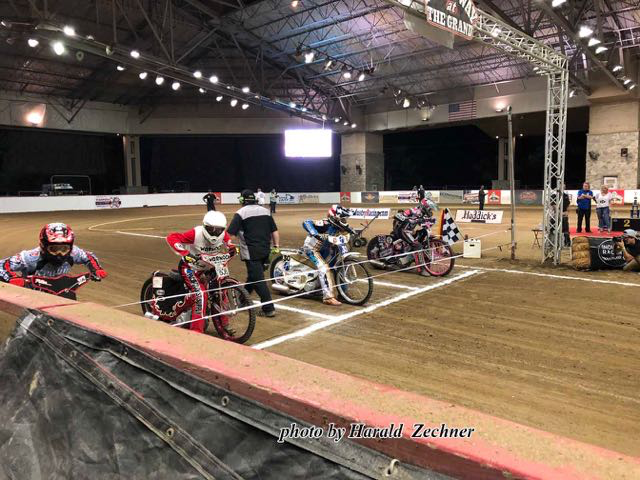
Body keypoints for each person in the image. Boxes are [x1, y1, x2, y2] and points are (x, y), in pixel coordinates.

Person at [166, 211, 235, 334]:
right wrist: (185, 253)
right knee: (200, 295)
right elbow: (172, 237)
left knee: (221, 290)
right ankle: (196, 331)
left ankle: (224, 323)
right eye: (211, 229)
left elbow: (229, 243)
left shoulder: (224, 235)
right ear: (204, 226)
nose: (215, 233)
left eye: (218, 230)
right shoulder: (195, 233)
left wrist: (232, 247)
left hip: (210, 268)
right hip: (190, 268)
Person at [0, 223, 107, 289]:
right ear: (43, 246)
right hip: (32, 296)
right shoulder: (30, 257)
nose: (59, 254)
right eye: (54, 249)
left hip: (61, 292)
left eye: (64, 249)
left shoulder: (74, 252)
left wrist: (96, 269)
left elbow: (88, 256)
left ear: (70, 247)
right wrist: (12, 278)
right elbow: (2, 265)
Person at [227, 189, 279, 317]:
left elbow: (230, 233)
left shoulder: (241, 213)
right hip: (265, 250)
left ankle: (268, 308)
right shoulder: (266, 211)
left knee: (258, 279)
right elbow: (274, 231)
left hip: (251, 252)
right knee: (253, 276)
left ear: (242, 200)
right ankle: (243, 300)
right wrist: (276, 245)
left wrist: (223, 245)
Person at [302, 205, 354, 305]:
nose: (344, 221)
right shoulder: (325, 223)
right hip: (312, 249)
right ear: (335, 218)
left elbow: (347, 232)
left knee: (339, 266)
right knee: (324, 268)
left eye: (345, 219)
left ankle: (343, 294)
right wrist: (315, 233)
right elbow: (306, 222)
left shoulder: (339, 227)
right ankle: (328, 297)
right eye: (342, 219)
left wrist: (352, 232)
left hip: (327, 249)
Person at [392, 198, 437, 275]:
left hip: (409, 232)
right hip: (402, 230)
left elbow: (424, 224)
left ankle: (408, 259)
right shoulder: (413, 210)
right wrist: (408, 219)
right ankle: (421, 269)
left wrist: (431, 222)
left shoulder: (422, 214)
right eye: (430, 209)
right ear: (425, 207)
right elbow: (397, 215)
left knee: (422, 235)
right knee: (417, 245)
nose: (431, 211)